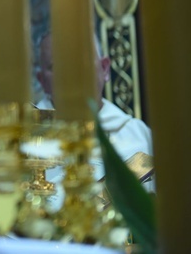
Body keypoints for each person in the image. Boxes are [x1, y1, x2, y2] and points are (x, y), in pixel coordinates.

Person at [35, 32, 155, 197]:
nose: (71, 75)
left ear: (104, 69)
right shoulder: (24, 143)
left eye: (80, 62)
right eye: (57, 67)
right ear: (42, 81)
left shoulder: (140, 136)